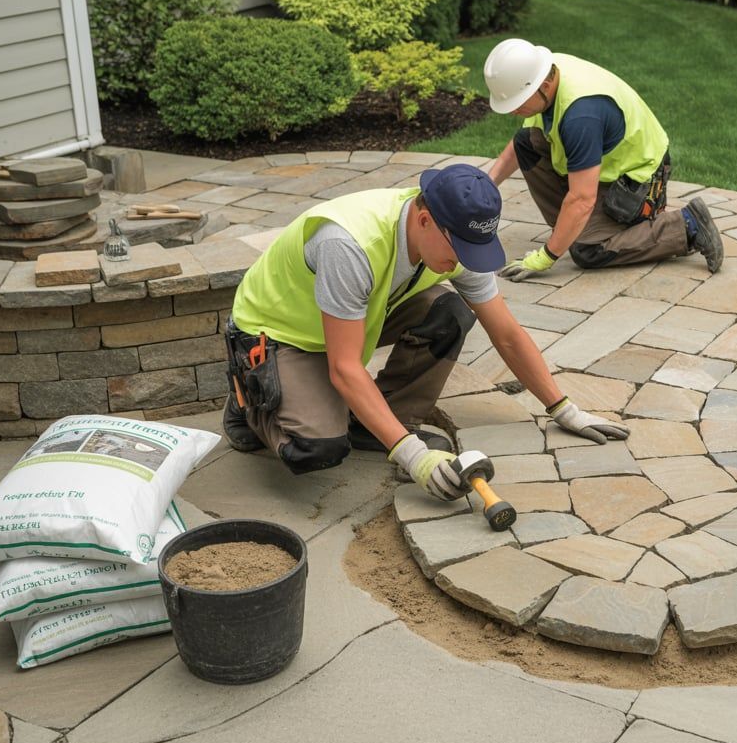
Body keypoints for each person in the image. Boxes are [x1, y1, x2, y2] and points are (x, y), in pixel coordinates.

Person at [222, 164, 629, 500]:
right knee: (316, 448)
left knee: (449, 311)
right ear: (424, 220)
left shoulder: (456, 235)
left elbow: (504, 332)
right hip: (279, 332)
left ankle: (375, 424)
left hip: (351, 318)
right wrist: (414, 457)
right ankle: (248, 399)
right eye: (459, 251)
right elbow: (344, 368)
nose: (465, 261)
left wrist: (562, 408)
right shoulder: (349, 245)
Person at [483, 38, 723, 280]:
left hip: (640, 181)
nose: (513, 111)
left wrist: (546, 257)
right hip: (605, 167)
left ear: (544, 86)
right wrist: (485, 186)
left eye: (518, 103)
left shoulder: (581, 115)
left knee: (588, 250)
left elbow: (582, 198)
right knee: (527, 142)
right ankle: (576, 227)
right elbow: (518, 145)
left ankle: (686, 226)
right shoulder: (545, 70)